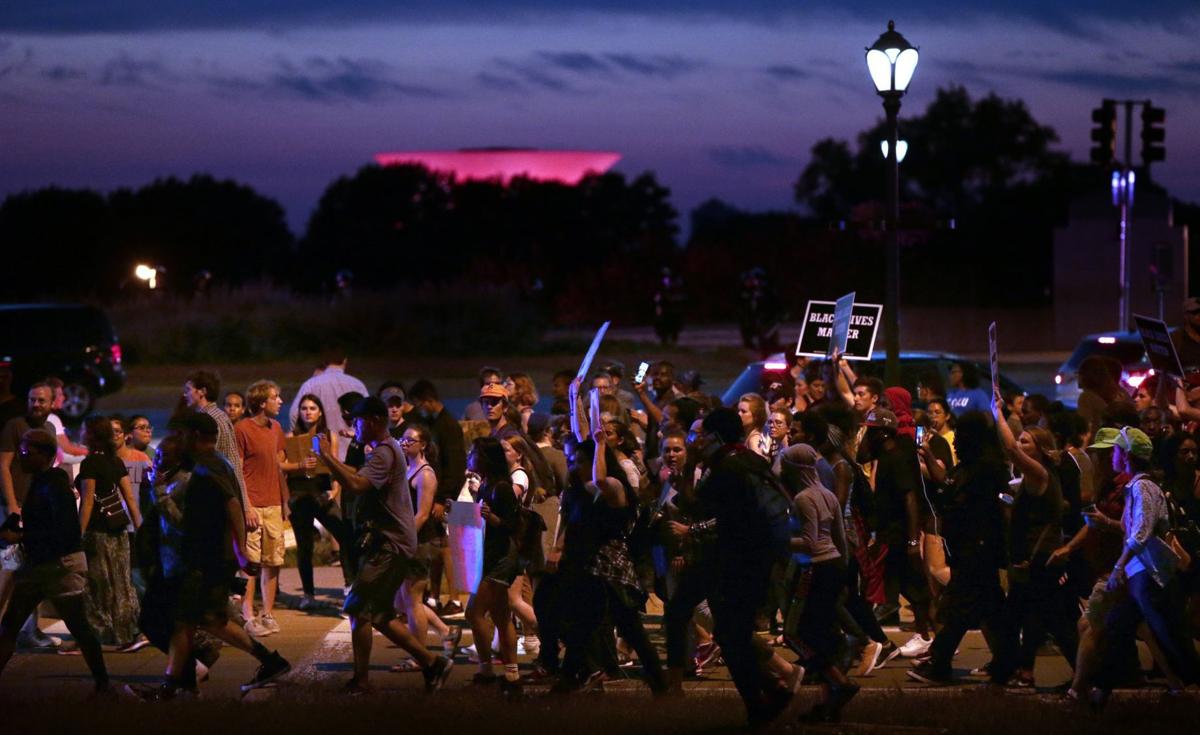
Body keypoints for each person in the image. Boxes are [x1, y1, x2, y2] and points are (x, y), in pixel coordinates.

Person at [131, 412, 291, 700]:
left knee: (184, 622)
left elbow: (232, 504)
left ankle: (170, 687)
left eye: (183, 434)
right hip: (210, 557)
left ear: (194, 435)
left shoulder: (210, 466)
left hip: (209, 558)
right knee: (212, 619)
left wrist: (242, 551)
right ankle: (270, 662)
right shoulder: (211, 463)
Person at [317, 396, 453, 695]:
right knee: (378, 615)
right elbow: (359, 479)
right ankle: (432, 663)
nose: (354, 426)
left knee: (356, 607)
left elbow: (356, 485)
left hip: (390, 546)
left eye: (358, 420)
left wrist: (326, 458)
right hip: (390, 544)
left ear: (375, 420)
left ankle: (361, 680)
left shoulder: (384, 453)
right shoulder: (385, 450)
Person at [686, 408, 794, 728]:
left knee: (731, 635)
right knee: (735, 632)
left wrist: (693, 463)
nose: (699, 440)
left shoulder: (725, 468)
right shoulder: (752, 461)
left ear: (717, 436)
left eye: (703, 434)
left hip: (739, 564)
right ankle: (768, 692)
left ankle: (761, 701)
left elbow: (697, 503)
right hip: (761, 560)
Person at [0, 429, 111, 695]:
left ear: (46, 455)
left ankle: (104, 684)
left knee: (79, 627)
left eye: (27, 452)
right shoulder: (40, 481)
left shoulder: (55, 484)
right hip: (41, 566)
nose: (22, 457)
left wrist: (23, 534)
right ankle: (104, 684)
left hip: (60, 567)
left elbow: (66, 531)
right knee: (10, 625)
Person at [907, 412, 1012, 686]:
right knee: (990, 608)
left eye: (961, 438)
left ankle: (940, 663)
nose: (956, 443)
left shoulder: (987, 468)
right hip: (967, 547)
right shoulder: (969, 466)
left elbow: (983, 506)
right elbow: (948, 482)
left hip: (977, 548)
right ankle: (1007, 664)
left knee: (957, 608)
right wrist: (928, 456)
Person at [994, 394, 1078, 688]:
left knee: (1050, 620)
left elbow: (1009, 449)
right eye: (1021, 440)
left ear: (1041, 450)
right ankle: (1019, 672)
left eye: (1026, 442)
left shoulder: (1040, 473)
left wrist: (999, 414)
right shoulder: (1041, 476)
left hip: (1040, 560)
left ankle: (1086, 675)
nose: (1019, 445)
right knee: (1028, 617)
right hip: (1034, 559)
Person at [778, 444, 857, 721]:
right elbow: (840, 540)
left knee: (794, 633)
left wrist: (777, 541)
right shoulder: (828, 495)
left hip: (814, 568)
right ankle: (827, 703)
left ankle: (841, 682)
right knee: (821, 633)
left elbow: (811, 543)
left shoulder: (803, 498)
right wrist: (844, 575)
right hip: (834, 566)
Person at [389, 423, 455, 670]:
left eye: (410, 441)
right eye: (402, 440)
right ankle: (446, 631)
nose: (404, 444)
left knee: (413, 602)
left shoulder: (425, 474)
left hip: (418, 542)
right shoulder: (407, 468)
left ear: (423, 445)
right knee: (404, 601)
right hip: (408, 541)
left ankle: (419, 657)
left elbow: (423, 514)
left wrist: (404, 540)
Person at [461, 436, 523, 697]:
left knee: (474, 613)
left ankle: (487, 671)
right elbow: (478, 520)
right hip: (489, 556)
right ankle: (511, 676)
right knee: (500, 616)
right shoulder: (485, 485)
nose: (470, 456)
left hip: (501, 560)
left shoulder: (502, 488)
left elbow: (512, 526)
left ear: (485, 457)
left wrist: (492, 517)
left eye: (474, 452)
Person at [0, 383, 61, 649]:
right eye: (32, 399)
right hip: (16, 506)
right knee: (10, 568)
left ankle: (29, 630)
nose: (36, 405)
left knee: (32, 570)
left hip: (37, 508)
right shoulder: (15, 426)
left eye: (41, 401)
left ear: (52, 403)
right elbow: (3, 466)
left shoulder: (48, 429)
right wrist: (12, 503)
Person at [77, 415, 144, 650]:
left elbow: (87, 503)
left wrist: (78, 534)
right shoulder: (115, 462)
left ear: (92, 435)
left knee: (98, 585)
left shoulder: (90, 464)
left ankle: (100, 634)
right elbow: (130, 500)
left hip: (97, 532)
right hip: (119, 531)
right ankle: (127, 632)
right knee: (122, 582)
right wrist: (139, 528)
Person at [286, 393, 352, 610]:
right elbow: (281, 466)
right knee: (305, 546)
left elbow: (335, 465)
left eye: (313, 408)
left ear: (321, 412)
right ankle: (308, 593)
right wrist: (300, 466)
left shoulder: (327, 435)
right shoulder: (291, 436)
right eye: (304, 408)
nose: (308, 412)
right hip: (300, 494)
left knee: (345, 533)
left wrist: (336, 487)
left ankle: (349, 586)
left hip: (322, 493)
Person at [235, 380, 290, 637]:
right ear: (260, 402)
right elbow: (237, 470)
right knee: (251, 562)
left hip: (274, 503)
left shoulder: (276, 427)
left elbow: (279, 466)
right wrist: (246, 507)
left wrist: (285, 502)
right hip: (253, 504)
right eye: (275, 397)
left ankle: (267, 612)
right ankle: (248, 613)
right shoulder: (242, 429)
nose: (280, 401)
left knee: (273, 560)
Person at [407, 379, 466, 615]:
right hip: (435, 494)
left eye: (419, 404)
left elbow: (454, 466)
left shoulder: (448, 426)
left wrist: (443, 498)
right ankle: (433, 596)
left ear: (429, 401)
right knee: (436, 546)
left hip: (443, 496)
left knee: (444, 547)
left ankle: (454, 598)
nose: (417, 409)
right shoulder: (430, 423)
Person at [183, 370, 251, 525]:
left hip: (216, 497)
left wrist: (245, 507)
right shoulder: (220, 415)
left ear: (202, 392)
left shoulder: (210, 420)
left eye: (188, 390)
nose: (185, 395)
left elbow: (229, 462)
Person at [288, 349, 369, 462]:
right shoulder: (357, 384)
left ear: (325, 362)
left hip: (323, 457)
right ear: (345, 361)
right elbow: (368, 415)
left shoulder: (311, 384)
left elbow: (294, 414)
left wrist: (304, 440)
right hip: (353, 453)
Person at [737, 393, 769, 458]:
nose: (739, 414)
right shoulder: (749, 436)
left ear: (756, 416)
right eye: (738, 410)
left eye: (743, 411)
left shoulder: (754, 440)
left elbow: (760, 465)